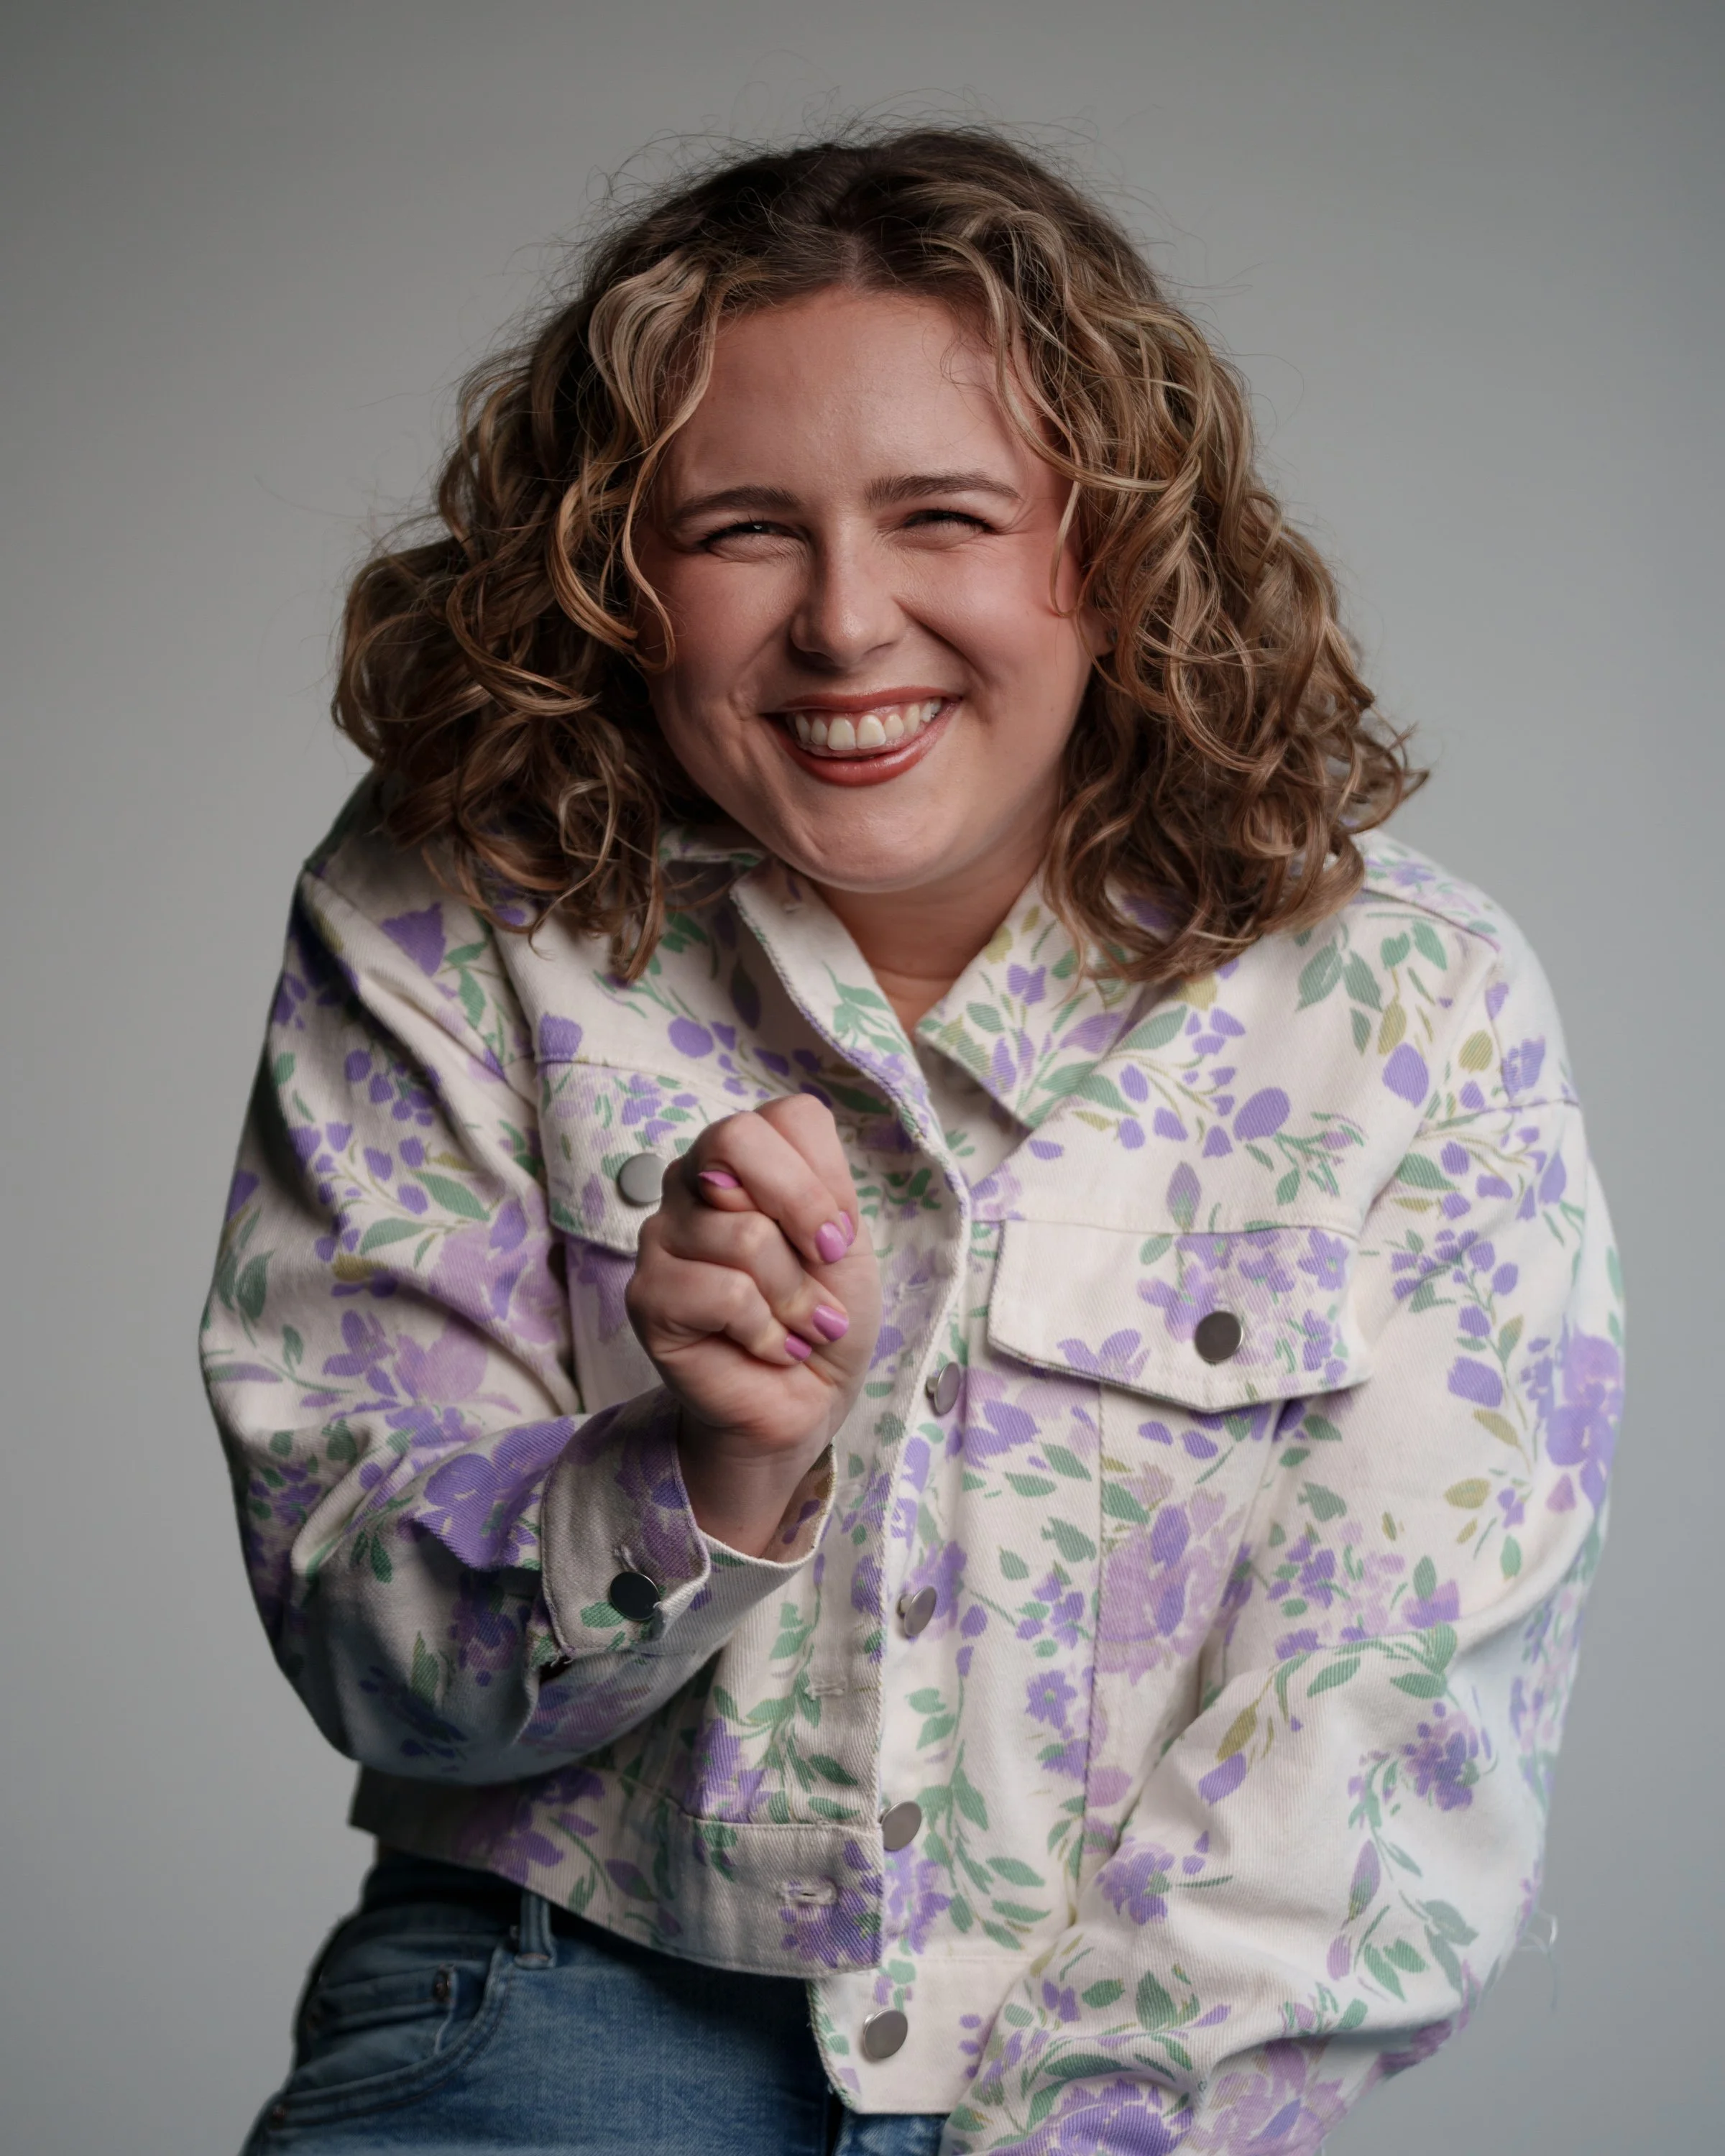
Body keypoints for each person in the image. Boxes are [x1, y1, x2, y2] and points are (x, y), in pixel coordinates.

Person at [202, 127, 1623, 2156]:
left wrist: (1085, 2124)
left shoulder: (1409, 1006)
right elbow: (369, 1648)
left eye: (945, 514)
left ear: (1112, 545)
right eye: (743, 531)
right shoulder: (446, 916)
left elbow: (1386, 1739)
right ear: (618, 572)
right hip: (547, 2011)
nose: (848, 624)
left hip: (1147, 2077)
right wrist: (713, 1469)